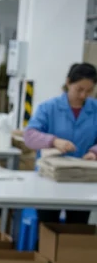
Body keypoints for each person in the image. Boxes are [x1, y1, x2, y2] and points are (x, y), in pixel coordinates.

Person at [23, 62, 97, 224]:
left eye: (89, 91)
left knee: (76, 232)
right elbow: (29, 136)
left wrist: (94, 152)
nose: (84, 95)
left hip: (82, 179)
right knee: (48, 229)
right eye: (79, 89)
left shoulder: (95, 110)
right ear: (68, 82)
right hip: (50, 180)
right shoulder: (49, 108)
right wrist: (53, 141)